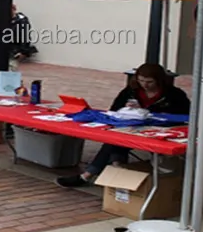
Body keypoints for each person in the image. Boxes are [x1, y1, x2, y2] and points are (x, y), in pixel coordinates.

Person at [56, 63, 191, 188]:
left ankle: (95, 173)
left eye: (150, 82)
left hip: (161, 129)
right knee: (116, 138)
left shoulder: (174, 94)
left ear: (159, 80)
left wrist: (148, 112)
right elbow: (114, 110)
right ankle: (115, 167)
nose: (145, 85)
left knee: (116, 140)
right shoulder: (131, 91)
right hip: (131, 126)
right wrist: (126, 109)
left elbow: (184, 116)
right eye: (141, 80)